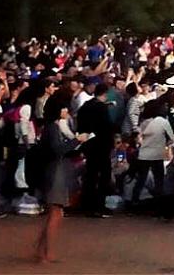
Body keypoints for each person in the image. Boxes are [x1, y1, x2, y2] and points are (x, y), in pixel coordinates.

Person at [34, 93, 90, 263]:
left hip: (57, 169)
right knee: (56, 212)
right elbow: (58, 149)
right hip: (55, 171)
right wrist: (77, 141)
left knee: (56, 212)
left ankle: (41, 250)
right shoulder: (53, 127)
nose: (67, 111)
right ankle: (46, 252)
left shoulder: (54, 126)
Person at [129, 99, 174, 218]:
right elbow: (171, 139)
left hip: (144, 154)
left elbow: (138, 139)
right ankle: (159, 206)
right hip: (157, 154)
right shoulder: (163, 122)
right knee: (159, 180)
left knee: (141, 179)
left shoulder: (144, 122)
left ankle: (134, 202)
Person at [77, 82, 114, 217]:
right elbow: (107, 128)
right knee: (103, 176)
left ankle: (86, 204)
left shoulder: (85, 106)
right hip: (102, 146)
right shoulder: (102, 109)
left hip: (88, 145)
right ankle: (99, 206)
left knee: (90, 175)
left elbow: (80, 126)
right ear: (105, 94)